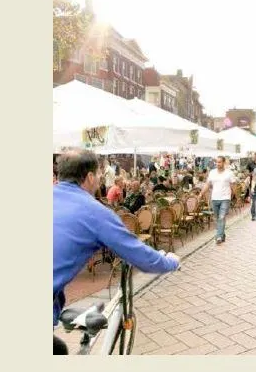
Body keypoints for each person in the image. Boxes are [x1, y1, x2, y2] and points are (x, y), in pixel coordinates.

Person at [53, 150, 180, 352]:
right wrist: (171, 262)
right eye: (100, 174)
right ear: (90, 177)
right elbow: (140, 255)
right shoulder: (94, 212)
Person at [198, 156, 237, 245]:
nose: (218, 164)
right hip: (214, 198)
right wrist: (201, 194)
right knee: (217, 218)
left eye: (219, 162)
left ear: (224, 163)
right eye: (217, 162)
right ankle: (222, 234)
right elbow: (207, 184)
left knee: (221, 217)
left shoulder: (229, 173)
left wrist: (235, 196)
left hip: (225, 198)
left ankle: (218, 236)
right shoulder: (212, 173)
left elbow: (234, 184)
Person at [245, 152, 256, 221]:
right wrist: (251, 173)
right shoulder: (250, 164)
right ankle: (253, 216)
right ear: (254, 156)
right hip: (253, 185)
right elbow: (246, 173)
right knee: (254, 202)